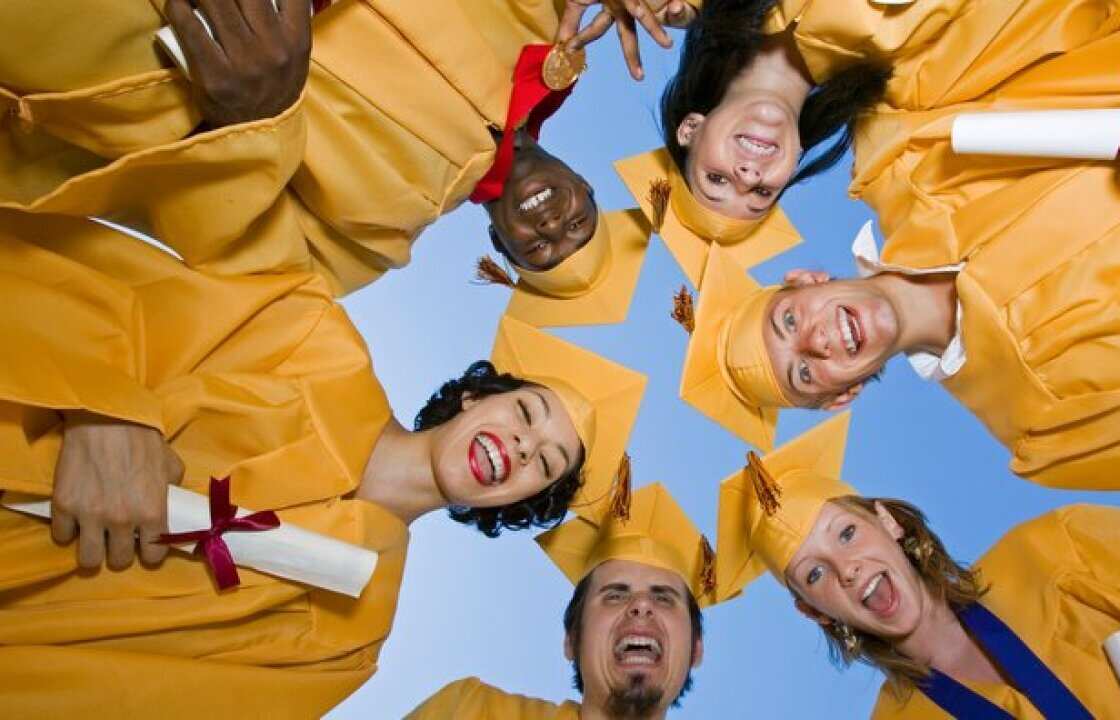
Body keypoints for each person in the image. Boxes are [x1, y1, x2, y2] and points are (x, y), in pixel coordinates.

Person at [0, 213, 645, 716]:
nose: (527, 447)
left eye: (546, 465)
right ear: (476, 396)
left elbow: (145, 706)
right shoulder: (311, 339)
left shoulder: (353, 633)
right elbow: (103, 279)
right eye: (526, 413)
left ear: (517, 503)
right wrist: (105, 406)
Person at [678, 78, 1120, 497]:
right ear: (842, 398)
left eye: (787, 321)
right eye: (803, 375)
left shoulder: (914, 149)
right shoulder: (1047, 434)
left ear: (805, 278)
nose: (814, 343)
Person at [0, 0, 681, 325]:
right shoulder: (548, 26)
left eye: (541, 253)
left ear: (502, 244)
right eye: (580, 225)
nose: (553, 228)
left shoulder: (373, 242)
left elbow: (232, 258)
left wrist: (252, 120)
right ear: (586, 186)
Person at [715, 414, 1120, 718]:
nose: (848, 570)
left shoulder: (1059, 550)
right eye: (814, 574)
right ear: (812, 612)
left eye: (846, 533)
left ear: (888, 522)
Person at [405, 483, 717, 719]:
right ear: (571, 640)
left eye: (663, 598)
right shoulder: (472, 712)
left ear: (696, 650)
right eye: (615, 595)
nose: (641, 605)